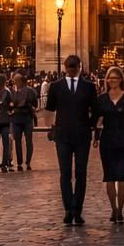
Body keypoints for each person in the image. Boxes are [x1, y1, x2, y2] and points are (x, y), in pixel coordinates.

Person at [45, 54, 98, 226]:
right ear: (65, 68)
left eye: (74, 67)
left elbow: (95, 110)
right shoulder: (55, 87)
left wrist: (89, 125)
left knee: (81, 173)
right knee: (65, 173)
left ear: (79, 68)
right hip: (63, 136)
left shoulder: (89, 87)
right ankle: (68, 209)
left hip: (82, 135)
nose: (72, 70)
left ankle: (77, 209)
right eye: (70, 67)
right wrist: (51, 127)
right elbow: (49, 109)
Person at [95, 66, 124, 224]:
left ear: (121, 79)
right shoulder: (101, 98)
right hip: (107, 140)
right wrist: (96, 137)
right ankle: (113, 209)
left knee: (122, 177)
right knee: (109, 176)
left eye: (115, 78)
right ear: (106, 80)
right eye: (110, 78)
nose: (112, 81)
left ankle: (120, 210)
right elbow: (98, 120)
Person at [8, 73, 38, 172]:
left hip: (25, 118)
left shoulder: (29, 91)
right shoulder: (14, 92)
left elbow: (35, 104)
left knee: (26, 141)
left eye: (16, 80)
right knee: (20, 142)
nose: (14, 82)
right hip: (19, 118)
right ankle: (22, 162)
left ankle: (26, 162)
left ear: (21, 81)